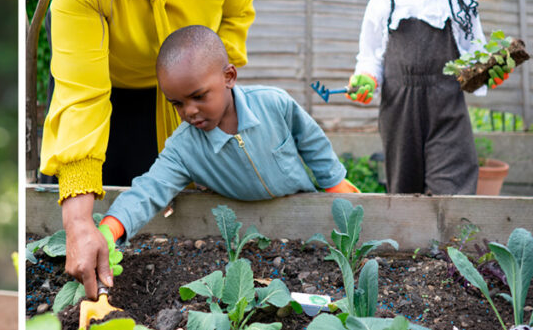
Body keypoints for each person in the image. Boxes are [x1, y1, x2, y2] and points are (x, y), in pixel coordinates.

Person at [39, 0, 255, 299]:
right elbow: (81, 96)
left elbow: (237, 14)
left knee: (185, 227)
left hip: (180, 98)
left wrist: (212, 92)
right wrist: (77, 222)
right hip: (111, 101)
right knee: (96, 228)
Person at [96, 26, 356, 255]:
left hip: (302, 218)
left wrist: (334, 182)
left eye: (198, 96)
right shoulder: (184, 148)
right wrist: (111, 227)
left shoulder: (273, 103)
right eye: (177, 104)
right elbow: (150, 190)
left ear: (229, 76)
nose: (189, 111)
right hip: (242, 239)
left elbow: (311, 140)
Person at [348, 0, 510, 194]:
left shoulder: (458, 2)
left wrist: (490, 72)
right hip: (399, 113)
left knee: (452, 191)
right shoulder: (384, 1)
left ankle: (455, 241)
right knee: (404, 194)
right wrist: (366, 79)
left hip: (447, 111)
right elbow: (370, 56)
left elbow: (477, 54)